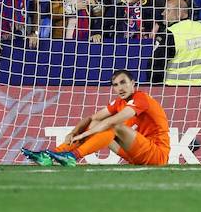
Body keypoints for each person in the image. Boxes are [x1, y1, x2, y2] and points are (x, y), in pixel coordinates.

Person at [22, 70, 171, 166]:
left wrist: (85, 134)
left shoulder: (141, 98)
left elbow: (113, 121)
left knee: (113, 126)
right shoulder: (119, 102)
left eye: (123, 82)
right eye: (115, 85)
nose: (120, 88)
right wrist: (74, 132)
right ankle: (50, 155)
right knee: (95, 123)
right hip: (135, 155)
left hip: (157, 155)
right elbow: (92, 118)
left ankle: (73, 156)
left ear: (133, 83)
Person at [149, 0, 201, 85]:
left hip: (174, 91)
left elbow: (155, 65)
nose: (163, 13)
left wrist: (157, 88)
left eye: (168, 10)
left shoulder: (170, 33)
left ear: (179, 13)